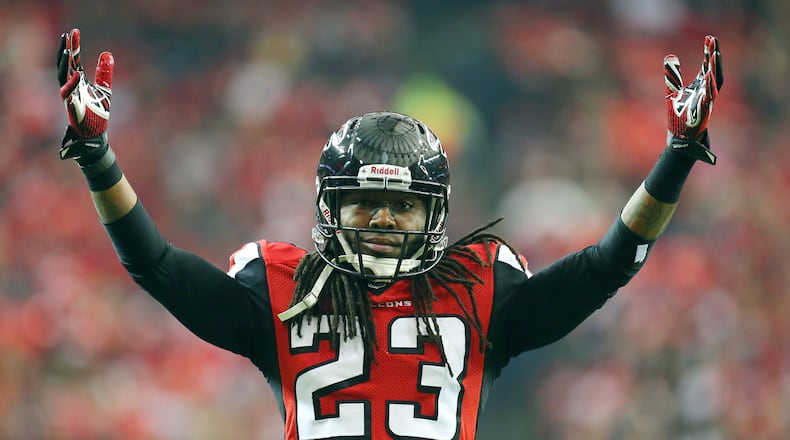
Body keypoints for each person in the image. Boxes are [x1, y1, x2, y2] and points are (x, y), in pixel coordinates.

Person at [56, 27, 723, 439]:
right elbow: (158, 267)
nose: (382, 220)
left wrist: (677, 155)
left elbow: (609, 265)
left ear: (433, 214)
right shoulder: (281, 287)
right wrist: (98, 158)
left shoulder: (481, 287)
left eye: (401, 206)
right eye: (365, 202)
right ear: (329, 206)